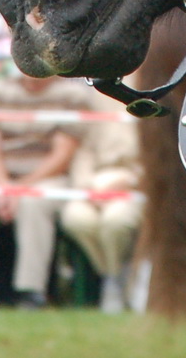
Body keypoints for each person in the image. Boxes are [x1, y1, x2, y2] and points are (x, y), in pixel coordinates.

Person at [0, 71, 91, 307]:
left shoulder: (72, 95)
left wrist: (22, 187)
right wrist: (6, 186)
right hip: (3, 177)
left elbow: (63, 155)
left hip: (49, 177)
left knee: (33, 203)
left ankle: (31, 292)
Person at [59, 96, 143, 313]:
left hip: (133, 182)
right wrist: (86, 186)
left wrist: (130, 181)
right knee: (76, 218)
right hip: (95, 179)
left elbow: (156, 153)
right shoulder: (95, 95)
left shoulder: (149, 89)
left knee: (116, 221)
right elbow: (84, 150)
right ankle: (113, 275)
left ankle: (114, 282)